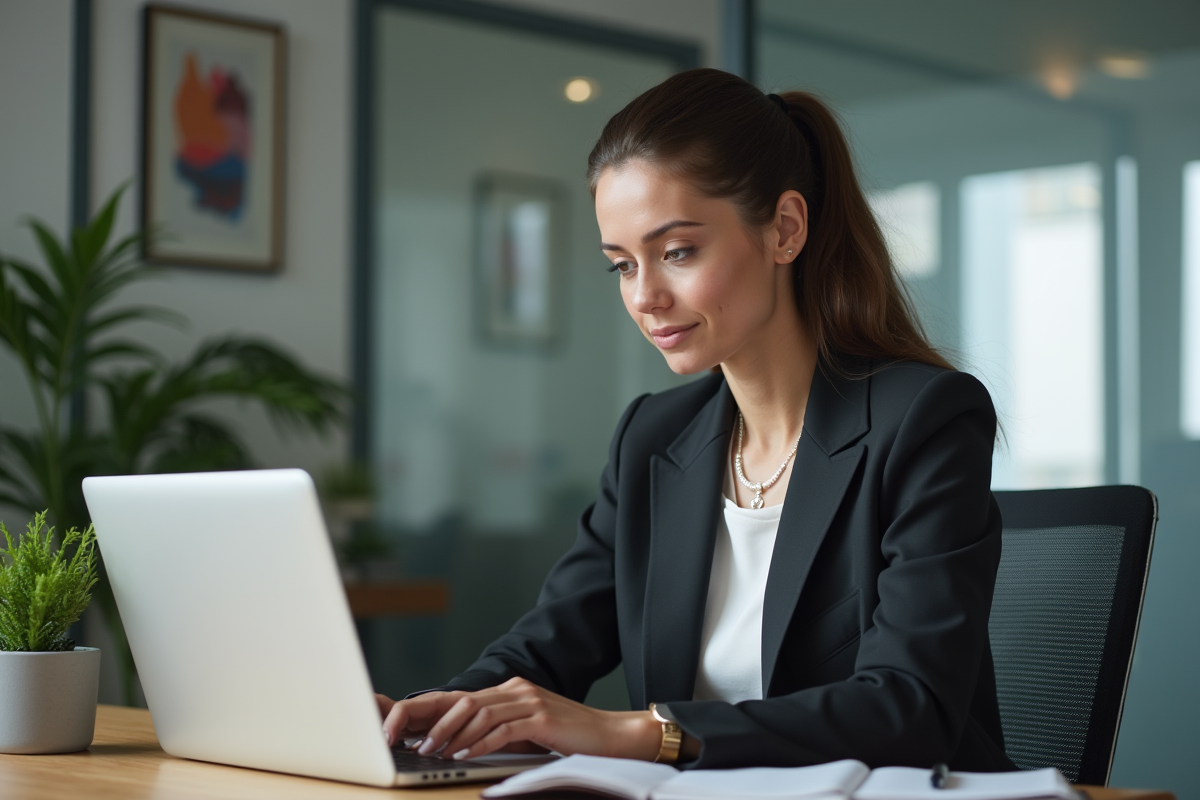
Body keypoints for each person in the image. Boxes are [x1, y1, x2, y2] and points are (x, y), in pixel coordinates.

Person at [377, 68, 1014, 772]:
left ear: (785, 229)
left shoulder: (922, 419)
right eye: (622, 265)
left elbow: (910, 708)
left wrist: (640, 733)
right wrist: (432, 717)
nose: (644, 296)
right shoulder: (655, 438)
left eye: (677, 252)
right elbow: (550, 645)